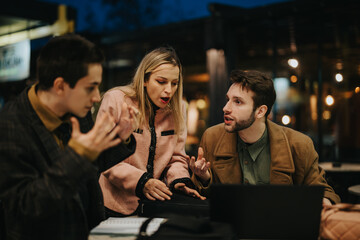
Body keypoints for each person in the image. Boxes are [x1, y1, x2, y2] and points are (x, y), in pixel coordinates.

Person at [0, 34, 138, 240]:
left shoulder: (76, 111)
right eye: (90, 87)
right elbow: (24, 208)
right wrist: (78, 156)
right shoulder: (9, 125)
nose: (97, 97)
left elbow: (93, 165)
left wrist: (121, 136)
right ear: (60, 86)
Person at [189, 69, 340, 205]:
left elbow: (322, 190)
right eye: (228, 99)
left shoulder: (299, 144)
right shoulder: (212, 137)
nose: (226, 108)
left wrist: (323, 202)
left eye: (238, 102)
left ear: (260, 111)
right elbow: (204, 200)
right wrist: (205, 178)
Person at [97, 46, 203, 217]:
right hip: (113, 207)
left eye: (174, 83)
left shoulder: (179, 108)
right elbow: (106, 158)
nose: (169, 90)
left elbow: (176, 157)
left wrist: (179, 180)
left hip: (155, 206)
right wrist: (142, 182)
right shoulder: (116, 99)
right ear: (144, 79)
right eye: (161, 82)